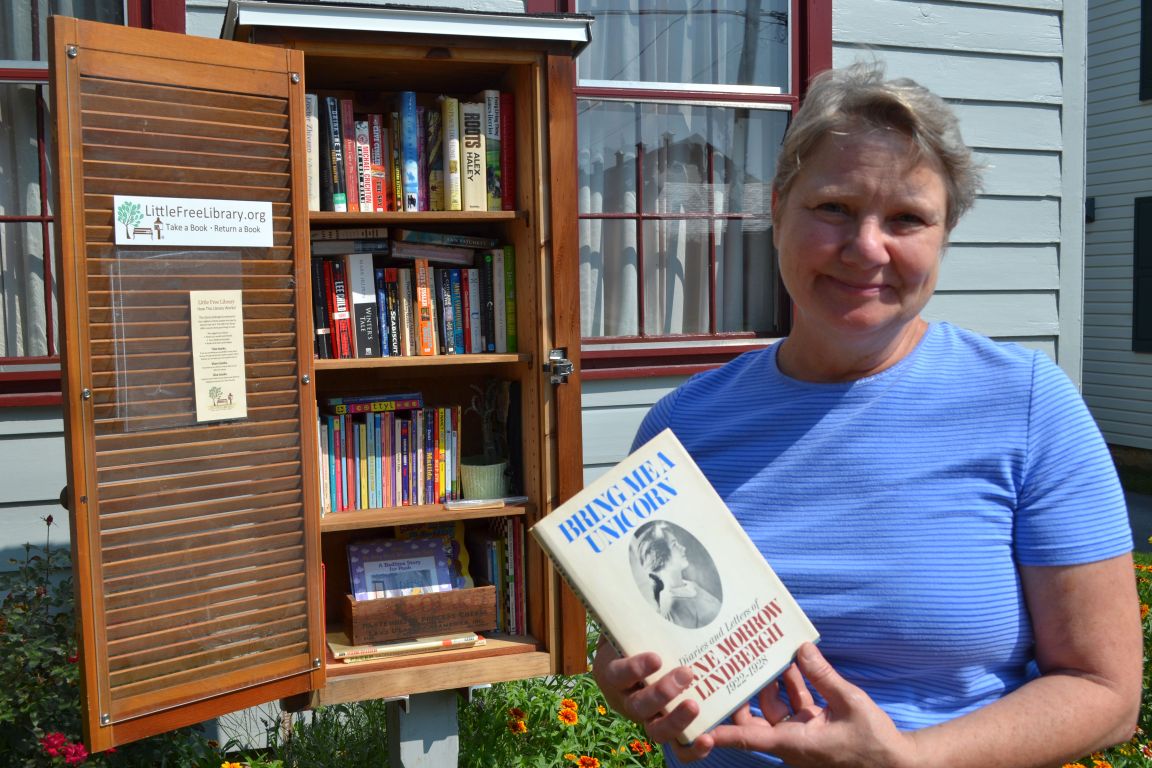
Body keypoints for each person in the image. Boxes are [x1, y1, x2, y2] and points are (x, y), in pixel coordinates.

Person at [591, 61, 1143, 768]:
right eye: (834, 208)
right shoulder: (684, 425)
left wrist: (909, 758)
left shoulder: (1028, 406)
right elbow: (641, 639)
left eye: (907, 218)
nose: (866, 248)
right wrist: (628, 679)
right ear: (778, 210)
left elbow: (1105, 692)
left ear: (945, 234)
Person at [631, 520, 723, 629]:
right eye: (674, 545)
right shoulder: (673, 605)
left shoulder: (690, 585)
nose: (683, 548)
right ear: (660, 557)